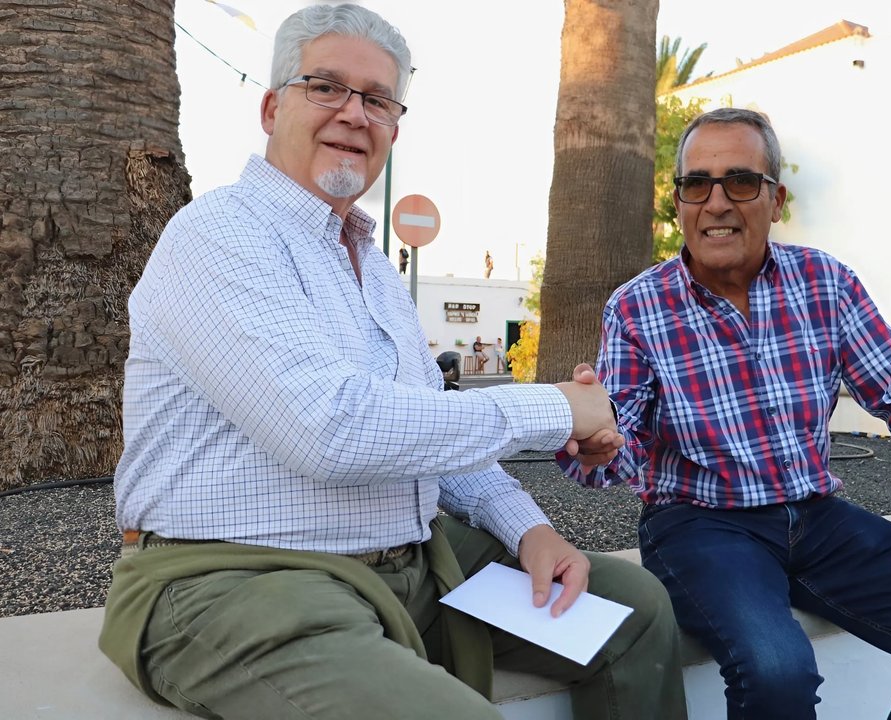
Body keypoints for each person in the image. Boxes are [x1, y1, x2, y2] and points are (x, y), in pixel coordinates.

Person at [98, 6, 687, 720]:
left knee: (632, 612)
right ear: (269, 106)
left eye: (376, 99)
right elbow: (329, 431)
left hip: (410, 565)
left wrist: (529, 527)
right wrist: (558, 407)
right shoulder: (218, 235)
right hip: (237, 581)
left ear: (393, 127)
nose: (353, 113)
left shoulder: (371, 266)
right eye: (325, 87)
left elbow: (423, 431)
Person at [561, 107, 891, 719]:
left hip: (816, 519)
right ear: (679, 203)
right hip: (701, 525)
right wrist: (595, 445)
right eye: (697, 184)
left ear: (776, 199)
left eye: (741, 182)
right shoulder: (638, 307)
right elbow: (619, 438)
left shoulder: (824, 283)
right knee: (777, 668)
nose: (717, 202)